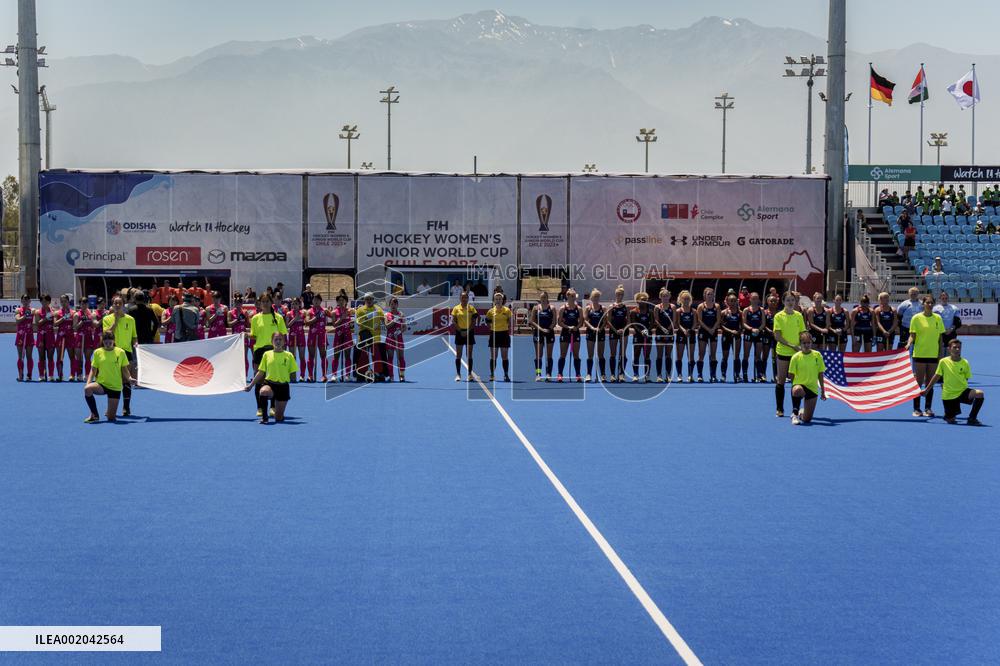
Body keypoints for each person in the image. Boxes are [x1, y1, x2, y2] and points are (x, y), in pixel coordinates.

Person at [922, 339, 984, 425]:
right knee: (951, 421)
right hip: (949, 395)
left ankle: (972, 418)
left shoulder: (965, 362)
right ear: (949, 349)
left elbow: (966, 378)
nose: (957, 349)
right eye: (955, 347)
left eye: (959, 348)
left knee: (979, 393)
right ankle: (948, 415)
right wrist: (926, 390)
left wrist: (961, 386)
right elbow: (936, 376)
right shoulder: (943, 361)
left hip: (962, 392)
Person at [244, 331, 297, 424]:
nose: (278, 342)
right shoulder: (266, 354)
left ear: (284, 342)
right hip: (270, 384)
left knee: (278, 418)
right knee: (263, 391)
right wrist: (251, 385)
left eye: (280, 339)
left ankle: (279, 412)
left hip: (283, 387)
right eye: (275, 339)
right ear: (272, 341)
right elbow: (261, 372)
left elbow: (293, 374)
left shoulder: (289, 355)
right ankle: (265, 418)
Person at [83, 332, 136, 423]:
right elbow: (93, 370)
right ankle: (94, 415)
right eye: (105, 343)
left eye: (110, 343)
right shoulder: (97, 352)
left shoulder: (121, 352)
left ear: (114, 341)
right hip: (101, 384)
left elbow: (124, 369)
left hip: (115, 387)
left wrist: (129, 378)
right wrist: (88, 382)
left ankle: (110, 411)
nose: (107, 345)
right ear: (102, 342)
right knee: (87, 389)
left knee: (111, 418)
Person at [905, 295, 945, 418]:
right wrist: (908, 344)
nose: (929, 305)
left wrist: (940, 353)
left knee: (930, 383)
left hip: (933, 355)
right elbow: (912, 335)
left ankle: (928, 408)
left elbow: (940, 338)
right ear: (923, 304)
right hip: (919, 354)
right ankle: (916, 408)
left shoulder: (938, 318)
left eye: (931, 303)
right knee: (918, 382)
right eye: (927, 302)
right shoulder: (916, 318)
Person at [249, 295, 287, 417]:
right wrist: (245, 335)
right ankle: (260, 407)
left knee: (273, 379)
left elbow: (283, 335)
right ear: (259, 304)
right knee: (259, 379)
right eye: (262, 301)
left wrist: (283, 352)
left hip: (274, 351)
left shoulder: (278, 317)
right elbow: (254, 335)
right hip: (259, 351)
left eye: (267, 301)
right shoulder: (255, 318)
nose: (264, 304)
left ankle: (273, 407)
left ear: (271, 303)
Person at [102, 296, 138, 417]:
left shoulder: (131, 319)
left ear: (123, 304)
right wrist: (115, 322)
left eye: (119, 303)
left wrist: (135, 343)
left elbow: (134, 336)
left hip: (126, 352)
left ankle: (126, 408)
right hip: (112, 352)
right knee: (113, 381)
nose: (117, 305)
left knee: (127, 381)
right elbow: (107, 334)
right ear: (112, 305)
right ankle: (111, 408)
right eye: (115, 303)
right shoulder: (107, 319)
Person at [773, 292, 807, 418]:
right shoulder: (778, 316)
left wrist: (806, 342)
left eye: (792, 300)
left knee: (796, 382)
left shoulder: (798, 315)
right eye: (788, 300)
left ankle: (795, 410)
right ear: (783, 302)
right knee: (781, 381)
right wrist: (792, 346)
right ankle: (780, 409)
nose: (790, 302)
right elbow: (777, 336)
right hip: (783, 352)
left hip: (797, 353)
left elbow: (803, 332)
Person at [788, 331, 827, 425]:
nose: (806, 345)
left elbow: (820, 374)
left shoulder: (817, 355)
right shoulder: (795, 357)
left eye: (808, 343)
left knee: (807, 420)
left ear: (811, 343)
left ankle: (801, 413)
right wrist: (794, 387)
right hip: (799, 386)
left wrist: (823, 390)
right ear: (800, 344)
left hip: (812, 389)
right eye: (804, 343)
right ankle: (795, 414)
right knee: (797, 390)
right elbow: (791, 375)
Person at [354, 293, 386, 382]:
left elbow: (384, 320)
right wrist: (367, 317)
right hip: (364, 337)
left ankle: (378, 374)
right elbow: (358, 322)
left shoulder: (378, 309)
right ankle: (361, 374)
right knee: (363, 356)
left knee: (376, 356)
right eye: (367, 299)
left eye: (370, 299)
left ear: (373, 299)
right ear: (364, 300)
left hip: (375, 337)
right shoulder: (360, 310)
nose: (369, 300)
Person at [556, 289, 584, 382]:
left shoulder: (579, 308)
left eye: (574, 296)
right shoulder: (563, 308)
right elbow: (559, 322)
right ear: (567, 296)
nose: (573, 298)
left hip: (575, 333)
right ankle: (560, 374)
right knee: (563, 354)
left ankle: (578, 374)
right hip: (565, 333)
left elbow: (581, 322)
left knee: (576, 354)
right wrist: (568, 327)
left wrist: (576, 327)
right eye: (571, 296)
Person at [451, 290, 478, 381]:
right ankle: (458, 374)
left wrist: (467, 331)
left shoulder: (472, 308)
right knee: (459, 354)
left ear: (468, 298)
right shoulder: (456, 308)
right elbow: (453, 321)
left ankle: (470, 374)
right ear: (460, 298)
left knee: (469, 354)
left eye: (466, 297)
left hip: (469, 333)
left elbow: (474, 322)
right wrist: (460, 330)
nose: (464, 299)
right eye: (462, 297)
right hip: (459, 333)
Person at [485, 292, 512, 382]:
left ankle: (506, 374)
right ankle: (492, 375)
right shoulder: (490, 311)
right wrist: (492, 328)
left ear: (502, 300)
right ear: (494, 300)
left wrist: (507, 327)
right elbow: (487, 321)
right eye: (496, 299)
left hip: (504, 334)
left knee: (504, 356)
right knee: (494, 356)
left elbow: (510, 321)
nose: (498, 301)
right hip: (494, 334)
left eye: (500, 299)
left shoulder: (507, 310)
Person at [529, 292, 556, 382]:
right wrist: (541, 329)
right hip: (538, 333)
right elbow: (532, 321)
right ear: (540, 299)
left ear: (547, 298)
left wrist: (549, 329)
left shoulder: (552, 308)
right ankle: (538, 373)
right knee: (539, 354)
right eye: (542, 297)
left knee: (549, 354)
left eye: (545, 297)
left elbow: (554, 321)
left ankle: (549, 374)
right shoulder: (536, 308)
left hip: (549, 332)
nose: (543, 299)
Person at [606, 285, 630, 383]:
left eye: (621, 294)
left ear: (623, 295)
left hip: (624, 332)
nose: (619, 296)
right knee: (613, 353)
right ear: (615, 294)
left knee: (623, 353)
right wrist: (615, 330)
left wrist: (623, 329)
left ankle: (621, 374)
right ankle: (612, 374)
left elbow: (628, 320)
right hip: (613, 331)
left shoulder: (626, 307)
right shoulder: (612, 306)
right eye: (618, 294)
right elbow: (608, 321)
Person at [696, 287, 720, 383]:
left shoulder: (717, 306)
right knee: (701, 354)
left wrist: (713, 329)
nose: (710, 296)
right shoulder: (701, 306)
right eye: (708, 294)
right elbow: (699, 320)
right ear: (704, 296)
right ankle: (699, 375)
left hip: (713, 331)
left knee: (713, 354)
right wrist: (708, 329)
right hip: (703, 331)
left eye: (712, 294)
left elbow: (718, 319)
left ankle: (713, 375)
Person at [304, 294, 329, 382]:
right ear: (312, 301)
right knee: (311, 356)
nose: (316, 301)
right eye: (314, 300)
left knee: (323, 355)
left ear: (320, 301)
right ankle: (310, 375)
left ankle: (324, 375)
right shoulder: (309, 311)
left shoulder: (324, 310)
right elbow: (307, 323)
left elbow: (333, 315)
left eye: (318, 300)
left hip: (322, 335)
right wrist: (316, 318)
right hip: (312, 335)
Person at [629, 292, 653, 382]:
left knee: (647, 356)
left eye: (645, 300)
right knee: (636, 355)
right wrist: (641, 331)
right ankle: (636, 375)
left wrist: (647, 331)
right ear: (637, 301)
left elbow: (652, 323)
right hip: (638, 336)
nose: (644, 301)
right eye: (642, 300)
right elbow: (633, 324)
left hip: (647, 336)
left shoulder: (650, 312)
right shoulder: (634, 312)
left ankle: (647, 375)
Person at [673, 290, 697, 383]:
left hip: (691, 334)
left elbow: (695, 323)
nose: (686, 300)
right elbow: (677, 323)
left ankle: (690, 375)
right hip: (681, 334)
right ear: (681, 300)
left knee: (690, 356)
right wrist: (683, 330)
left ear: (690, 299)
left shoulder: (693, 311)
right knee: (679, 355)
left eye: (687, 298)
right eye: (684, 299)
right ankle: (679, 375)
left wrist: (690, 330)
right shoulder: (679, 311)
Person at [584, 289, 607, 382]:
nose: (596, 298)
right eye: (594, 297)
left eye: (598, 296)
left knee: (601, 354)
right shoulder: (588, 308)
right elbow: (585, 320)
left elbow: (605, 321)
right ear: (591, 298)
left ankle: (602, 374)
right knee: (590, 355)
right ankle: (589, 374)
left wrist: (600, 329)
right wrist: (593, 328)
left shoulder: (603, 308)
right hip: (590, 333)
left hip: (600, 332)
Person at [330, 293, 354, 383]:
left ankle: (347, 375)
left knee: (347, 355)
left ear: (346, 302)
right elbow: (334, 325)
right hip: (338, 336)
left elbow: (353, 323)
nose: (341, 301)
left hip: (348, 335)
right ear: (337, 302)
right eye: (339, 300)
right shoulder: (334, 312)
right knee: (336, 356)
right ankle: (334, 375)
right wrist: (341, 318)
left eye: (343, 300)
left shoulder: (350, 311)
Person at [228, 292, 253, 378]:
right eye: (236, 303)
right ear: (235, 303)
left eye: (240, 303)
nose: (238, 304)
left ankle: (244, 376)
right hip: (235, 338)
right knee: (235, 357)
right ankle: (236, 375)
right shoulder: (230, 312)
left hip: (243, 337)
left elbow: (248, 325)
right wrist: (237, 320)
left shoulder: (245, 312)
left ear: (242, 303)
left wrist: (248, 317)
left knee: (244, 357)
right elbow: (229, 324)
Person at [741, 292, 765, 382]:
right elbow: (743, 323)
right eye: (753, 298)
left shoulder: (761, 310)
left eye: (756, 298)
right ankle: (745, 374)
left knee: (758, 355)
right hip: (748, 333)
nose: (755, 300)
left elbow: (763, 323)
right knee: (746, 355)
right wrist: (751, 329)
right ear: (750, 299)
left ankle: (759, 374)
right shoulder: (746, 310)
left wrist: (758, 329)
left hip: (758, 333)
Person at [719, 292, 742, 383]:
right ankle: (723, 375)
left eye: (734, 301)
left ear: (736, 301)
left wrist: (738, 331)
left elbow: (742, 325)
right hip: (726, 336)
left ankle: (737, 375)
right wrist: (730, 331)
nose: (732, 302)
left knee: (736, 356)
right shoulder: (723, 312)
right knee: (725, 356)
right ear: (727, 302)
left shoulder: (740, 313)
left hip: (737, 336)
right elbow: (721, 326)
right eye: (731, 301)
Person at [383, 297, 407, 382]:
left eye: (395, 304)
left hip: (399, 338)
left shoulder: (401, 314)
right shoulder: (387, 315)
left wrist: (400, 331)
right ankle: (391, 376)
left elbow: (405, 327)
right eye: (391, 304)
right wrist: (394, 320)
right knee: (390, 357)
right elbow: (387, 326)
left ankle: (402, 376)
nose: (393, 306)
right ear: (389, 305)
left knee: (401, 357)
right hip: (390, 339)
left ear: (397, 305)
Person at [283, 297, 307, 382]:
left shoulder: (303, 313)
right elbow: (287, 326)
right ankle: (292, 375)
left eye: (296, 303)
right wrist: (295, 319)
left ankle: (302, 375)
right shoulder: (289, 314)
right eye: (293, 303)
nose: (294, 305)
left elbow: (306, 322)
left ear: (299, 304)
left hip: (301, 337)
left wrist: (302, 318)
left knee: (302, 357)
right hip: (292, 337)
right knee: (292, 357)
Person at [53, 294, 76, 382]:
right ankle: (60, 375)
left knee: (72, 356)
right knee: (59, 356)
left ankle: (72, 375)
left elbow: (74, 326)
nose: (63, 303)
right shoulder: (57, 313)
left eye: (65, 301)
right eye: (62, 301)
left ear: (68, 301)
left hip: (70, 336)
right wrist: (63, 318)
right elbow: (55, 324)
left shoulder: (73, 313)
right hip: (60, 337)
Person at [653, 288, 674, 383]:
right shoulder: (657, 307)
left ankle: (668, 374)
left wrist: (668, 329)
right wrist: (662, 329)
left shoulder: (672, 307)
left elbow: (674, 320)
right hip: (660, 332)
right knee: (660, 354)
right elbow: (656, 321)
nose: (665, 298)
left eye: (667, 296)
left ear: (669, 296)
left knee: (668, 355)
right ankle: (659, 375)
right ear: (660, 297)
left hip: (669, 332)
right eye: (663, 296)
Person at [14, 294, 35, 382]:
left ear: (30, 301)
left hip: (29, 335)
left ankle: (29, 374)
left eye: (27, 300)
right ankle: (20, 374)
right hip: (20, 335)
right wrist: (25, 316)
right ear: (21, 301)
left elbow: (37, 312)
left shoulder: (33, 310)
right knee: (20, 356)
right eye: (24, 300)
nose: (25, 302)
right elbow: (17, 320)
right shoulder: (18, 310)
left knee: (29, 356)